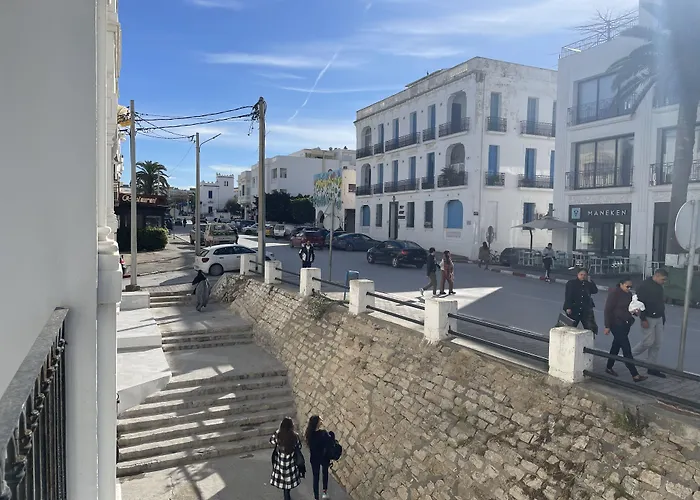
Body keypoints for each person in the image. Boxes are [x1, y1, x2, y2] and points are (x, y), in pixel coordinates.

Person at [604, 279, 648, 382]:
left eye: (630, 287)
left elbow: (629, 308)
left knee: (616, 346)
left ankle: (609, 367)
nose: (629, 288)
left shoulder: (629, 295)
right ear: (621, 284)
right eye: (627, 286)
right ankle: (635, 374)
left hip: (626, 324)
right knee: (626, 349)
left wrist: (635, 312)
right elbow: (607, 310)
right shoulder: (614, 294)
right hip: (616, 323)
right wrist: (607, 326)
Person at [632, 268, 669, 378]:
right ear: (656, 276)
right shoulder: (644, 286)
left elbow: (660, 302)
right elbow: (639, 304)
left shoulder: (659, 286)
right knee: (648, 342)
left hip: (659, 317)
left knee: (657, 343)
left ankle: (651, 367)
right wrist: (643, 319)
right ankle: (628, 355)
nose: (664, 282)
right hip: (648, 317)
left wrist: (663, 317)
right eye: (663, 279)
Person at [270, 417, 304, 500]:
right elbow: (299, 446)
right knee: (288, 484)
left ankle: (287, 496)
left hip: (280, 462)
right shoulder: (295, 436)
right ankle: (287, 496)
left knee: (284, 482)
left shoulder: (278, 434)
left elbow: (272, 441)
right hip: (291, 464)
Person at [563, 268, 599, 335]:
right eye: (581, 274)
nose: (583, 276)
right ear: (578, 274)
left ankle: (589, 339)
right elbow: (568, 296)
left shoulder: (588, 283)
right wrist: (568, 307)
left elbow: (595, 291)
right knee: (569, 328)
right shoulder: (571, 283)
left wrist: (590, 281)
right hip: (574, 309)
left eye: (585, 275)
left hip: (586, 310)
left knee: (590, 329)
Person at [305, 416, 334, 500]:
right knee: (325, 474)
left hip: (314, 458)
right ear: (317, 423)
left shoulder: (309, 434)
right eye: (320, 420)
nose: (321, 421)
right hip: (324, 457)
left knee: (316, 477)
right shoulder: (323, 433)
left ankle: (316, 497)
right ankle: (324, 492)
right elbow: (329, 442)